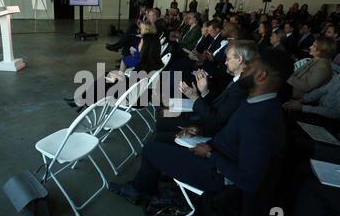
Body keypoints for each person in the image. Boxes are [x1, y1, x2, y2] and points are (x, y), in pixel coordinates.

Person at [109, 49, 290, 203]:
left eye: (249, 68)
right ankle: (148, 182)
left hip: (216, 174)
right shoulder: (256, 101)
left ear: (261, 75)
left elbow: (249, 181)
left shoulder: (261, 120)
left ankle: (137, 191)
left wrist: (210, 153)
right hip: (215, 149)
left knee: (150, 149)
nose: (243, 71)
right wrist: (201, 131)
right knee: (163, 138)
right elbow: (232, 133)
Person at [156, 40, 257, 137]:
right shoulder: (236, 81)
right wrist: (204, 91)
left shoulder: (240, 88)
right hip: (204, 112)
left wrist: (195, 97)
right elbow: (217, 103)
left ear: (239, 60)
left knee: (161, 123)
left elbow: (215, 121)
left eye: (228, 59)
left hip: (205, 128)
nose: (225, 62)